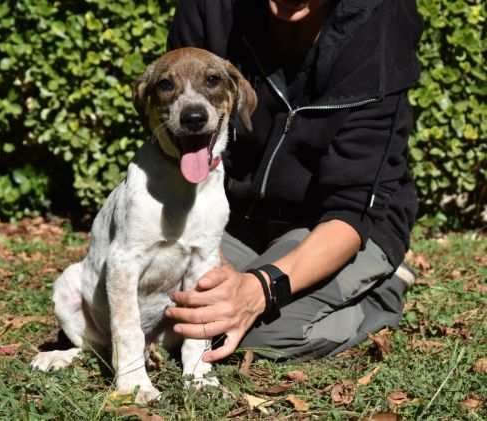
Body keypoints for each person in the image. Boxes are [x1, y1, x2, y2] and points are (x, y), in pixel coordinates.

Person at [164, 0, 422, 362]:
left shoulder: (382, 22)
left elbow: (351, 208)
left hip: (340, 225)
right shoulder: (210, 9)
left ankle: (385, 288)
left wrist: (256, 291)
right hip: (229, 217)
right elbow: (179, 138)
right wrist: (215, 265)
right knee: (177, 317)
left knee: (264, 335)